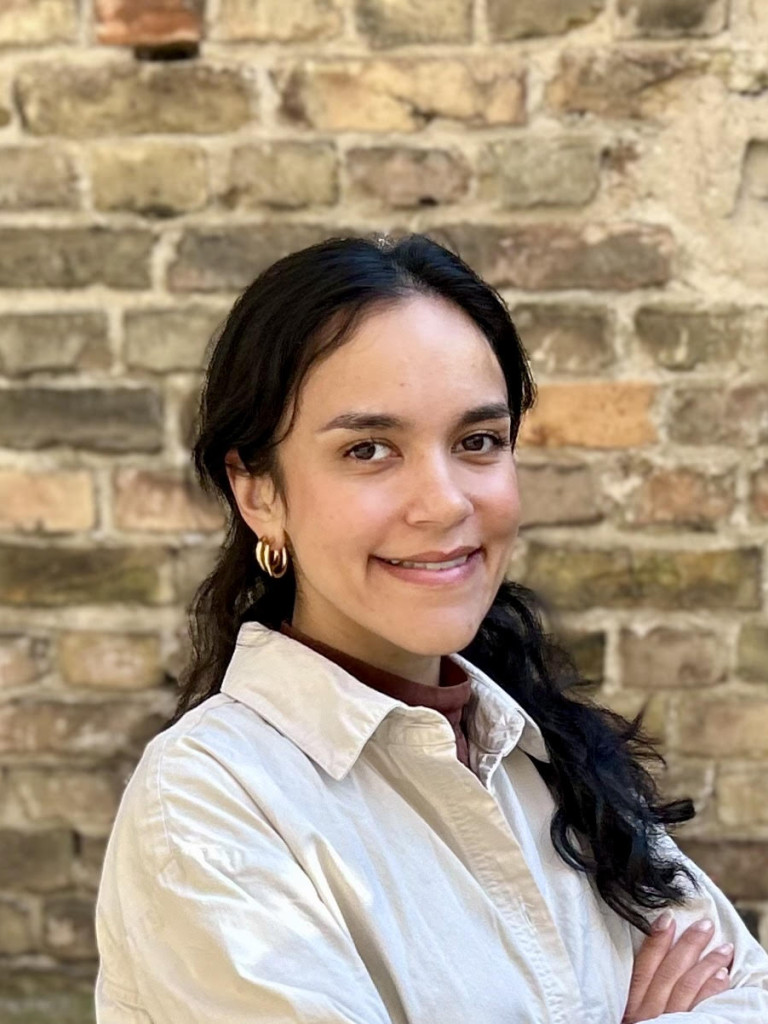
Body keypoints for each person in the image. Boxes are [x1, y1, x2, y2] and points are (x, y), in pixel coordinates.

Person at [94, 233, 768, 1023]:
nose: (445, 502)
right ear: (258, 492)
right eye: (370, 449)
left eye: (477, 442)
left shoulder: (547, 755)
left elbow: (743, 988)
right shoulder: (211, 804)